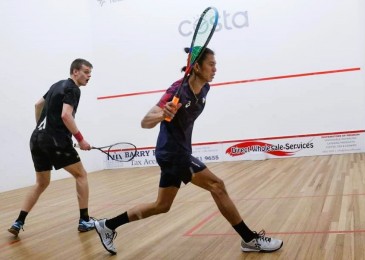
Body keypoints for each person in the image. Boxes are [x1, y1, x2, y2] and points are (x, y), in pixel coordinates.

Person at [93, 48, 283, 255]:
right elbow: (145, 122)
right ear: (198, 67)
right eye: (211, 64)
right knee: (217, 186)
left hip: (175, 152)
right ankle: (249, 239)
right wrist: (162, 114)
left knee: (162, 205)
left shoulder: (204, 88)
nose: (215, 69)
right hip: (173, 153)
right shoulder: (177, 92)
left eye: (215, 64)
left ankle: (108, 225)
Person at [8, 58, 96, 236]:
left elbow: (38, 104)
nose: (89, 76)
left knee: (41, 183)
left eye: (90, 73)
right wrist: (81, 140)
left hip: (36, 138)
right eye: (86, 72)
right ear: (75, 72)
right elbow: (66, 115)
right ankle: (85, 220)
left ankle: (18, 222)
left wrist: (43, 131)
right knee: (81, 175)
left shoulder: (56, 85)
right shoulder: (73, 88)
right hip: (54, 140)